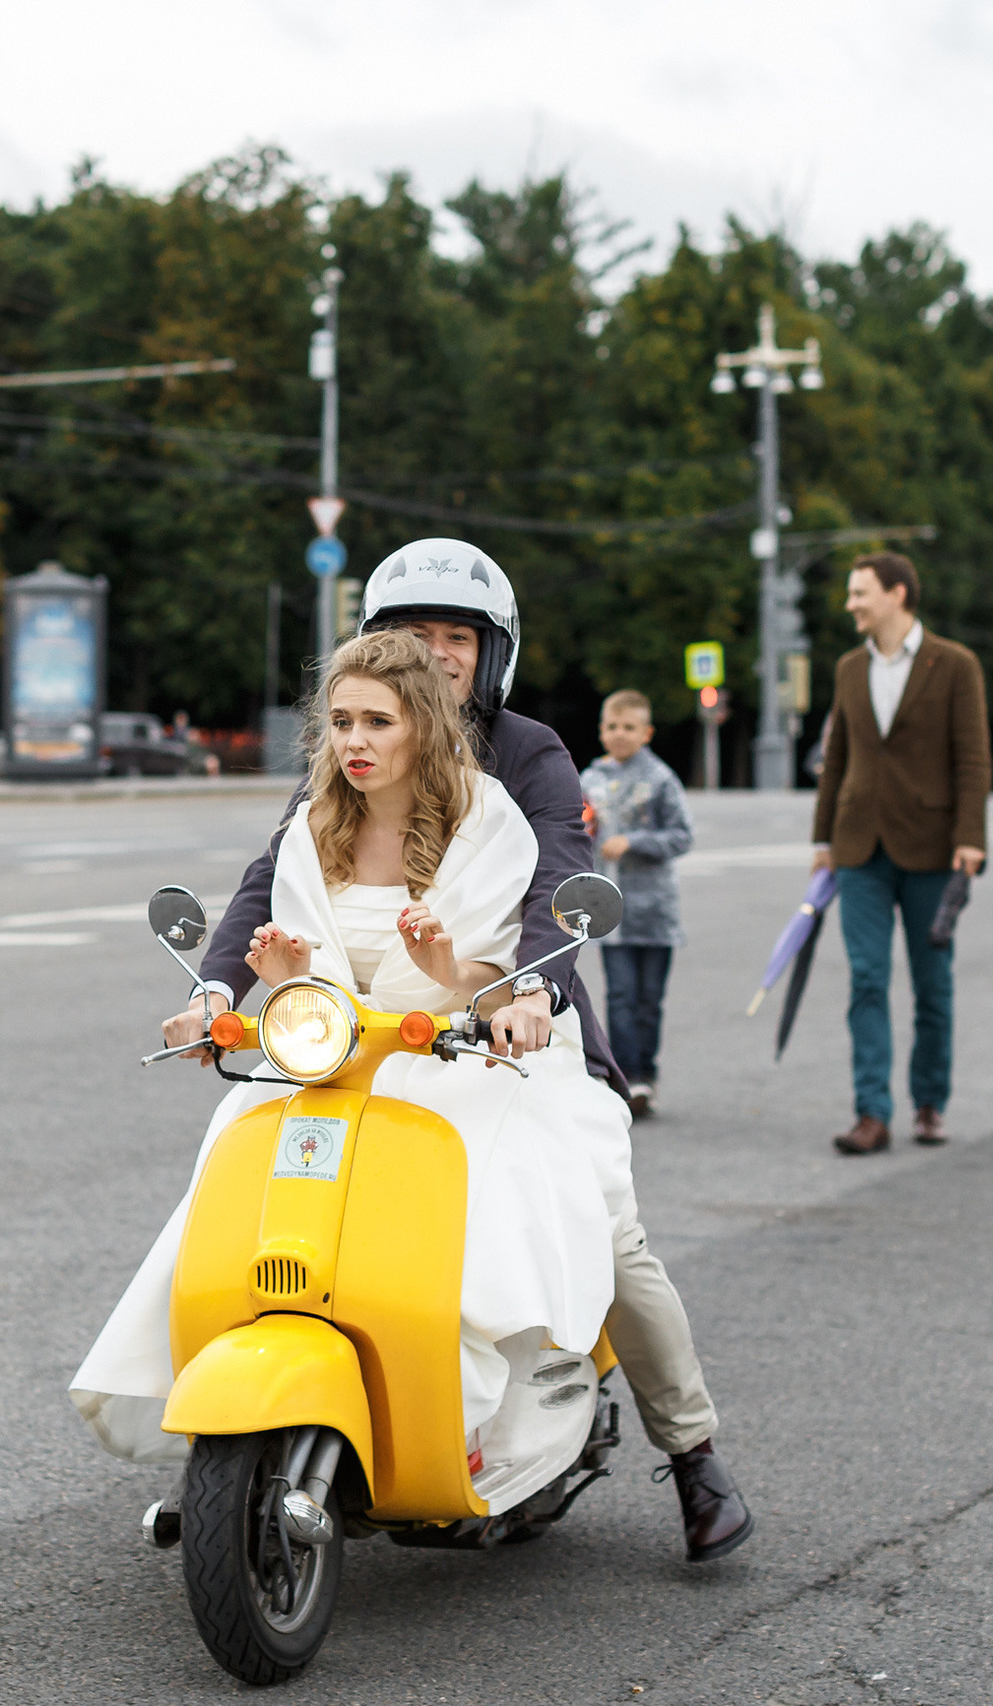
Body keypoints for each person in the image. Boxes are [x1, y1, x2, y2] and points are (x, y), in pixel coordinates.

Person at [154, 539, 750, 1562]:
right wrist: (216, 987)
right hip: (362, 1038)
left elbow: (559, 876)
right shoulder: (354, 747)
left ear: (491, 651)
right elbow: (270, 877)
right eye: (413, 635)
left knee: (604, 1233)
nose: (436, 652)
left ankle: (693, 1451)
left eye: (457, 636)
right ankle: (240, 1434)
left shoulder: (529, 753)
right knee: (241, 1167)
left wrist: (523, 992)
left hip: (505, 1036)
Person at [810, 553, 990, 1155]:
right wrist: (823, 840)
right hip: (859, 845)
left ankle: (930, 1102)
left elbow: (972, 759)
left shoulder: (955, 664)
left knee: (932, 984)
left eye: (860, 593)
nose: (851, 604)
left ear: (897, 594)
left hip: (933, 847)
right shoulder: (847, 668)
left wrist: (971, 837)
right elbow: (837, 758)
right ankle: (872, 1114)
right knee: (866, 978)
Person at [581, 689, 693, 1119]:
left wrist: (635, 842)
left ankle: (648, 1072)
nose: (619, 734)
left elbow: (681, 835)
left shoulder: (661, 778)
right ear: (601, 731)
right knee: (621, 996)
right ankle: (625, 1077)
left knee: (649, 999)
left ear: (646, 733)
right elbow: (575, 825)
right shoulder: (587, 779)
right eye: (612, 726)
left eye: (629, 727)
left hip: (655, 912)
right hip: (609, 911)